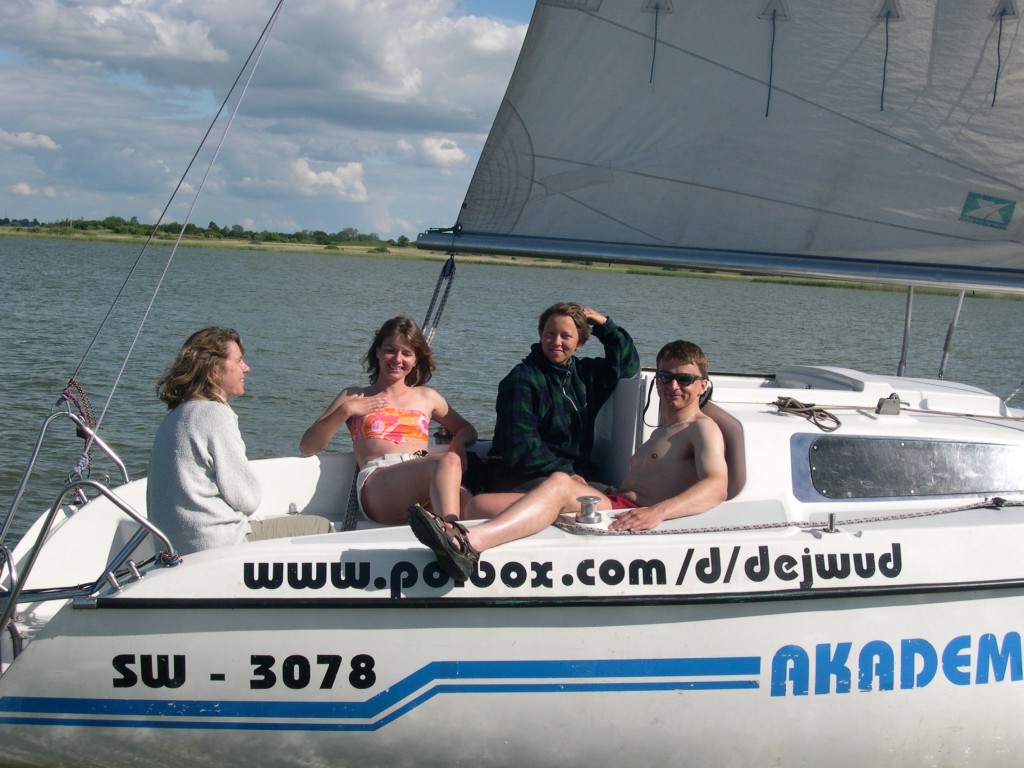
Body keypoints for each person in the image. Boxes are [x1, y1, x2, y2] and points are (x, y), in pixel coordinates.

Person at [409, 340, 729, 582]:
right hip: (616, 500)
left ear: (703, 384)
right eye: (665, 376)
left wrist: (657, 512)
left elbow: (716, 486)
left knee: (560, 483)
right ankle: (450, 531)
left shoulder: (701, 428)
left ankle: (469, 544)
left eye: (684, 379)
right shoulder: (662, 430)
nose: (673, 386)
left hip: (629, 510)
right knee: (479, 506)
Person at [147, 327, 332, 556]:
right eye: (239, 361)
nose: (246, 368)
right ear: (214, 369)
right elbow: (247, 500)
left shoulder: (176, 414)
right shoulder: (216, 415)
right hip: (216, 545)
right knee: (322, 527)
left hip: (177, 547)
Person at [300, 316, 477, 525]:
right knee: (448, 461)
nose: (397, 359)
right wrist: (346, 410)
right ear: (377, 351)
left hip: (423, 475)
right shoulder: (354, 396)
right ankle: (450, 534)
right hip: (378, 483)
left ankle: (454, 531)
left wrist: (458, 443)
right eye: (390, 350)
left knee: (477, 507)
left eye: (406, 353)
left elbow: (466, 428)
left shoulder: (428, 397)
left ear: (416, 359)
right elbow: (307, 447)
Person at [485, 302, 639, 494]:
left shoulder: (585, 375)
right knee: (609, 500)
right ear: (541, 336)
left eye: (566, 336)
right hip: (517, 475)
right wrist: (565, 472)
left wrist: (604, 326)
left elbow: (627, 365)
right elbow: (520, 446)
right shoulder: (522, 379)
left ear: (579, 343)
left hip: (572, 474)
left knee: (628, 498)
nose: (556, 342)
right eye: (550, 334)